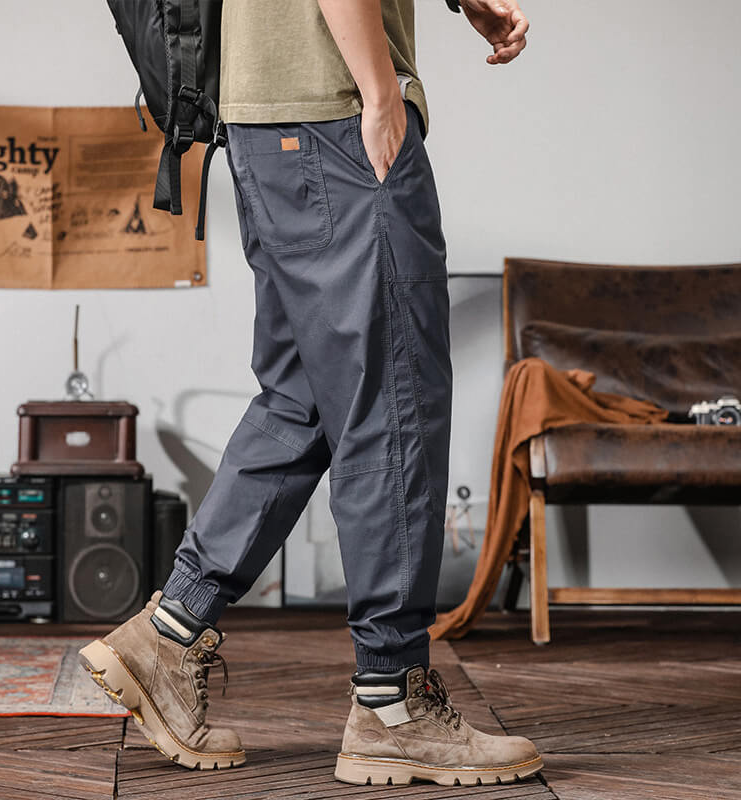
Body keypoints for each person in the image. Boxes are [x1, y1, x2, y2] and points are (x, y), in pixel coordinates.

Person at [79, 0, 541, 786]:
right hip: (334, 113)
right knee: (394, 402)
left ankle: (169, 635)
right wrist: (380, 92)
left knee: (303, 400)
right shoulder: (358, 101)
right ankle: (393, 701)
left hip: (263, 127)